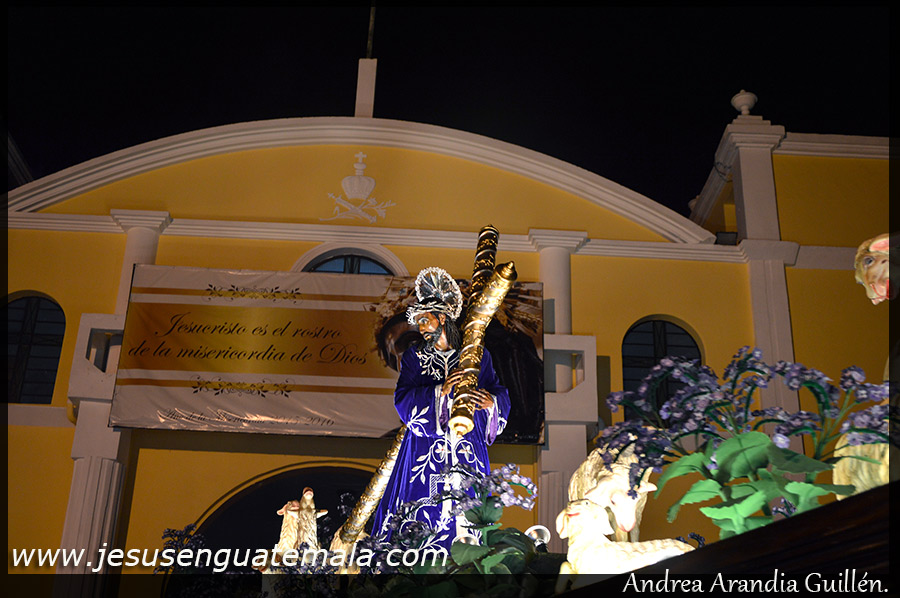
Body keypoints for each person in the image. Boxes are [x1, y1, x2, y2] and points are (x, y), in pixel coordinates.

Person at [370, 267, 510, 552]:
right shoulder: (414, 356)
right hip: (424, 446)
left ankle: (469, 557)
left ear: (442, 318)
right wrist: (440, 392)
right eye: (419, 322)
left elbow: (497, 390)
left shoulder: (477, 355)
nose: (421, 328)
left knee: (469, 509)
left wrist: (491, 403)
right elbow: (402, 399)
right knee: (421, 509)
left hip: (467, 443)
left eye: (425, 320)